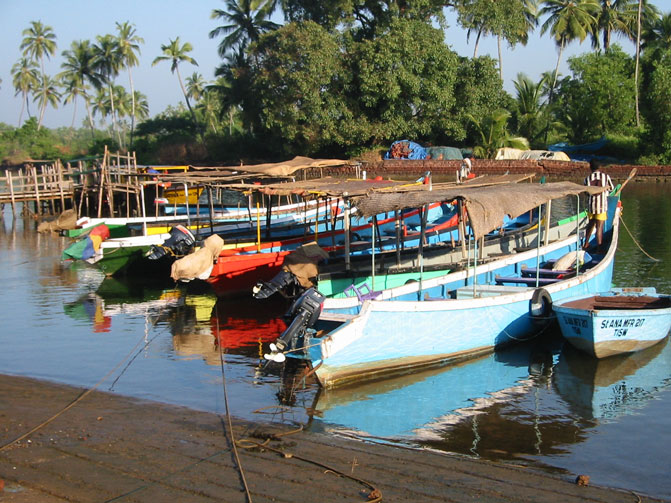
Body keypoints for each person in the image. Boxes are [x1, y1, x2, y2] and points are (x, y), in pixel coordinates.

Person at [583, 159, 614, 251]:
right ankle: (599, 248)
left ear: (590, 167)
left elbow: (586, 192)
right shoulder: (605, 177)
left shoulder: (587, 179)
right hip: (602, 206)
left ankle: (586, 243)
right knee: (599, 227)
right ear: (599, 167)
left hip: (591, 206)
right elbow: (611, 188)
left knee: (590, 225)